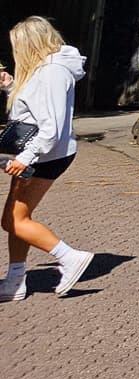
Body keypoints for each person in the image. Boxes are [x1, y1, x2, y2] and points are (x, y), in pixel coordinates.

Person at [1, 16, 92, 300]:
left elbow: (51, 125)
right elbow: (34, 101)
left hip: (45, 154)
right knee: (16, 217)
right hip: (43, 153)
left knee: (13, 221)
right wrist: (9, 84)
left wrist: (27, 156)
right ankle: (15, 281)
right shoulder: (46, 69)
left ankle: (70, 257)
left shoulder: (53, 72)